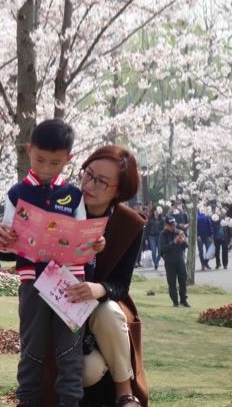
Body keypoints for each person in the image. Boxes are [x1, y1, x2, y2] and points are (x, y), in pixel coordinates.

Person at [0, 119, 104, 407]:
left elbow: (83, 239)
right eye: (40, 159)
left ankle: (70, 402)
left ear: (68, 159)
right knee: (32, 349)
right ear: (29, 151)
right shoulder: (16, 193)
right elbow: (6, 243)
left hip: (70, 282)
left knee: (70, 351)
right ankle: (27, 401)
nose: (47, 168)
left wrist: (95, 244)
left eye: (55, 162)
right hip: (32, 281)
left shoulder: (74, 195)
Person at [63, 146, 149, 407]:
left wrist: (97, 289)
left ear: (118, 191)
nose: (89, 184)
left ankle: (125, 393)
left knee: (108, 311)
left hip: (103, 308)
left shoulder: (129, 224)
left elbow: (121, 284)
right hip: (62, 307)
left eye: (101, 181)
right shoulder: (62, 204)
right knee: (90, 370)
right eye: (88, 174)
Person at [159, 216, 189, 307]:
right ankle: (175, 302)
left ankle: (183, 300)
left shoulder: (179, 232)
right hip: (170, 261)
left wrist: (182, 241)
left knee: (183, 280)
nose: (173, 227)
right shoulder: (163, 234)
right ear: (166, 225)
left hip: (180, 260)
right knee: (172, 282)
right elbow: (163, 249)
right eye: (171, 225)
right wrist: (174, 242)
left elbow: (186, 245)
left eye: (174, 225)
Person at [144, 206, 164, 271]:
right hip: (152, 237)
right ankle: (155, 263)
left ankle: (157, 261)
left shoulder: (162, 220)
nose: (156, 212)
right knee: (153, 251)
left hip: (159, 237)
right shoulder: (150, 219)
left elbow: (163, 229)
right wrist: (146, 239)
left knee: (160, 251)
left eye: (157, 211)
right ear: (154, 212)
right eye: (155, 211)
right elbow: (147, 229)